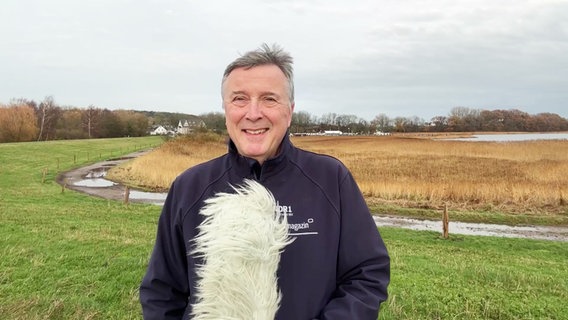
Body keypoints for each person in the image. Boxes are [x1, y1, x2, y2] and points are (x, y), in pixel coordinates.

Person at [139, 43, 390, 319]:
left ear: (290, 110)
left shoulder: (331, 179)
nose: (253, 113)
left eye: (269, 99)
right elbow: (161, 292)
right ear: (225, 110)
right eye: (239, 99)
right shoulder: (189, 187)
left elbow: (367, 275)